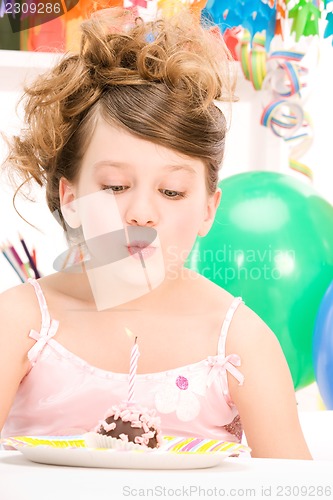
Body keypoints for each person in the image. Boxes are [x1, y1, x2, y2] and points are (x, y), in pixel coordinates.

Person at [0, 7, 311, 459]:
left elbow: (293, 487)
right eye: (116, 187)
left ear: (208, 208)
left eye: (171, 190)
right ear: (71, 198)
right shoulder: (21, 322)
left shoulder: (240, 342)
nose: (141, 213)